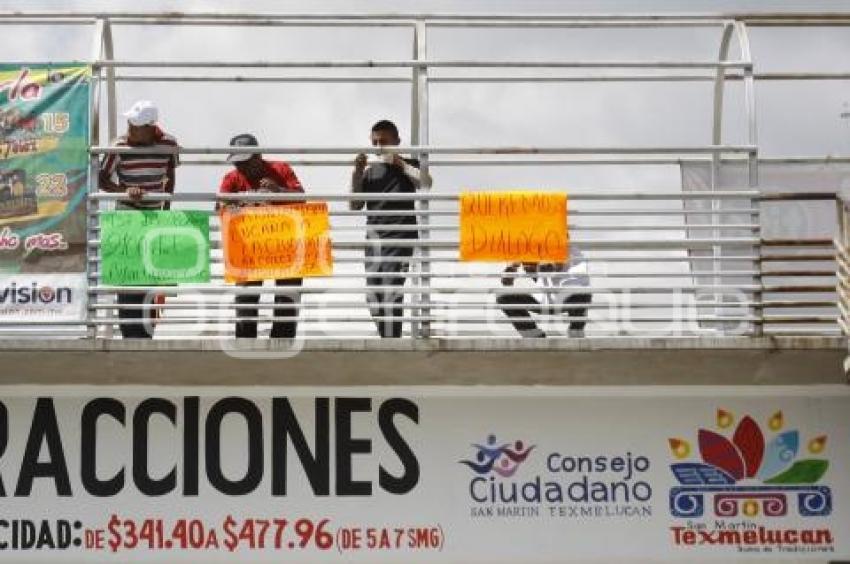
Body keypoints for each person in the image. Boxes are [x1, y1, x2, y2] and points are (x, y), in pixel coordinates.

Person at [99, 100, 178, 339]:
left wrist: (166, 208)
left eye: (137, 125)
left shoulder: (169, 144)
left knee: (148, 275)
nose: (131, 129)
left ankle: (145, 333)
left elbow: (170, 175)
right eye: (130, 123)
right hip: (126, 213)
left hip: (154, 215)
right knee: (127, 276)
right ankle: (128, 334)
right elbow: (101, 179)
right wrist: (124, 190)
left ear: (151, 127)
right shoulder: (119, 146)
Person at [350, 120, 432, 338]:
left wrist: (400, 164)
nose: (379, 147)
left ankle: (390, 343)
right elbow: (354, 205)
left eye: (384, 141)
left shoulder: (408, 163)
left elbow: (426, 182)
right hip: (374, 239)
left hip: (400, 237)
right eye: (375, 142)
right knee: (372, 296)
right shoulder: (370, 171)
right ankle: (388, 339)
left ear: (397, 141)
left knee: (390, 289)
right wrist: (357, 172)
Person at [218, 133, 305, 339]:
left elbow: (301, 198)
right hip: (250, 248)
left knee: (287, 296)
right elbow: (221, 206)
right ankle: (246, 342)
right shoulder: (231, 178)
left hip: (283, 244)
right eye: (237, 162)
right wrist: (242, 205)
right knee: (246, 298)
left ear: (258, 156)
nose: (241, 167)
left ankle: (282, 341)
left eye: (245, 162)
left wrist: (278, 191)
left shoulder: (280, 169)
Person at [496, 248, 591, 338]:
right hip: (543, 299)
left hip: (568, 299)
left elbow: (558, 265)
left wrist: (549, 265)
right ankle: (533, 334)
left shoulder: (571, 251)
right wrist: (511, 269)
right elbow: (506, 283)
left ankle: (576, 329)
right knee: (503, 296)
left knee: (583, 292)